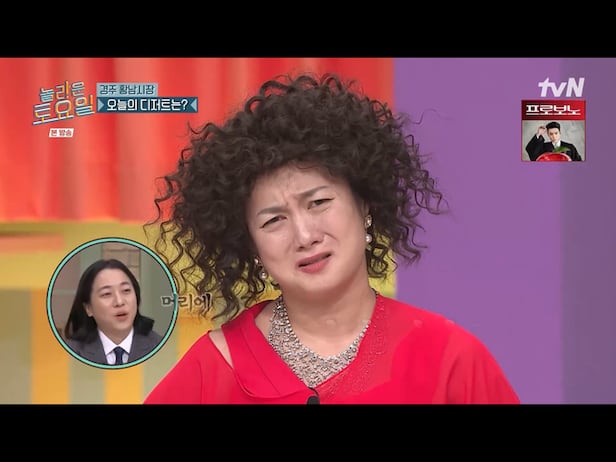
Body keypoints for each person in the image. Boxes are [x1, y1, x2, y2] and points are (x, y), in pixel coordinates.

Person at [144, 72, 520, 404]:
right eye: (274, 220)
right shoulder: (213, 368)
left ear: (365, 204)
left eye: (319, 202)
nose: (305, 236)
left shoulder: (450, 359)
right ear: (250, 244)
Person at [63, 258, 163, 366]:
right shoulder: (70, 354)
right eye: (106, 294)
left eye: (126, 290)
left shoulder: (161, 347)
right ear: (88, 308)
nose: (119, 302)